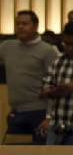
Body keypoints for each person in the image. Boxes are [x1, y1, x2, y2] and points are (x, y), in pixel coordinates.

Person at [0, 10, 59, 143]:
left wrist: (50, 117)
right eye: (18, 24)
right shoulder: (7, 47)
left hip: (40, 112)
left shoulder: (47, 51)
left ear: (36, 26)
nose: (20, 27)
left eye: (25, 24)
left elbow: (54, 85)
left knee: (39, 153)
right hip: (16, 111)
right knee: (13, 152)